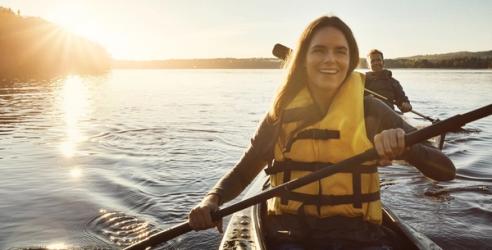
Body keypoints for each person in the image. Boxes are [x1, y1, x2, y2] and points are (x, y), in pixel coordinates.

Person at [188, 16, 455, 249]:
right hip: (287, 235)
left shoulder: (372, 110)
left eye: (340, 51)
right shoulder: (281, 112)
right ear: (303, 58)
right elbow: (246, 169)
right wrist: (213, 199)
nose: (330, 59)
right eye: (319, 50)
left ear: (350, 60)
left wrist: (407, 148)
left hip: (360, 238)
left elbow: (446, 171)